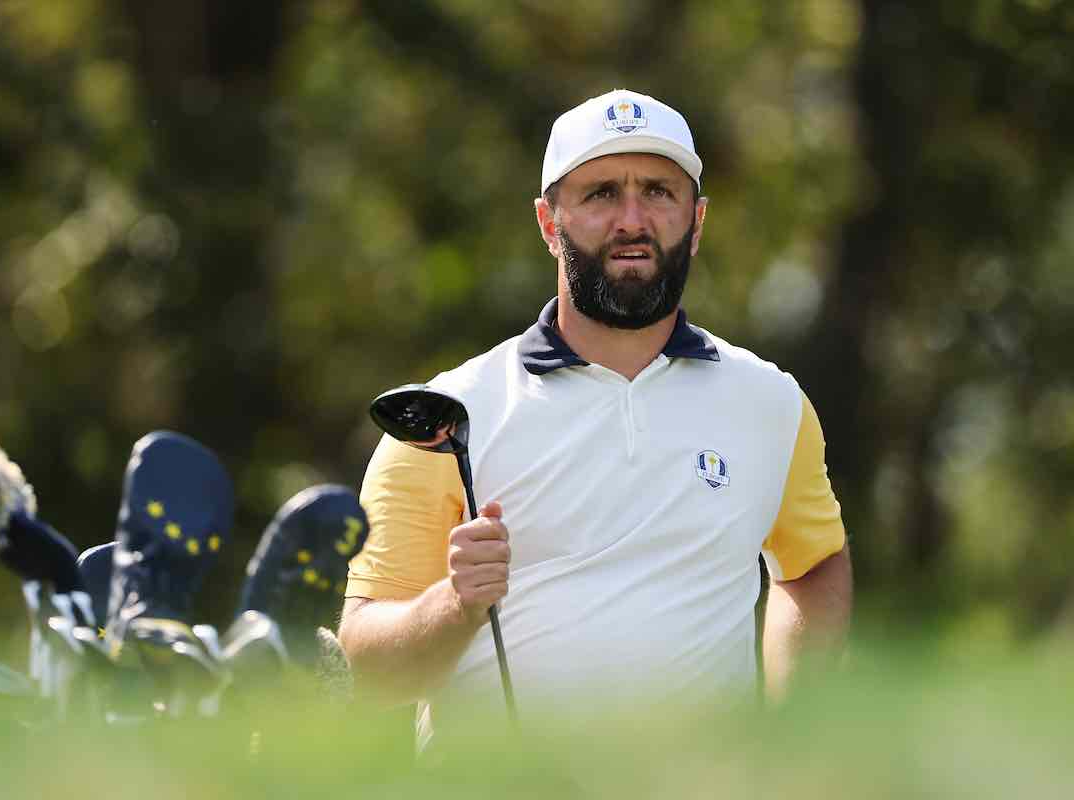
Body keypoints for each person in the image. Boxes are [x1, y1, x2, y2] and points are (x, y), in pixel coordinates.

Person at [338, 89, 851, 745]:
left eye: (659, 193)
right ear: (550, 222)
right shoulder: (447, 417)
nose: (632, 219)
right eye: (601, 193)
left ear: (696, 222)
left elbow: (813, 565)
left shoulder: (771, 403)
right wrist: (458, 604)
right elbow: (370, 667)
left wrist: (791, 725)